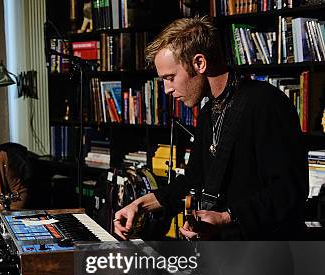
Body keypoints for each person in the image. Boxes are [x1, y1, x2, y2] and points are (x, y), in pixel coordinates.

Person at [113, 16, 307, 242]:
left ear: (199, 63)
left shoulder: (265, 102)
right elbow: (193, 181)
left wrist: (227, 218)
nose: (166, 89)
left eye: (170, 77)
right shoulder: (208, 112)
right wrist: (140, 205)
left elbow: (290, 189)